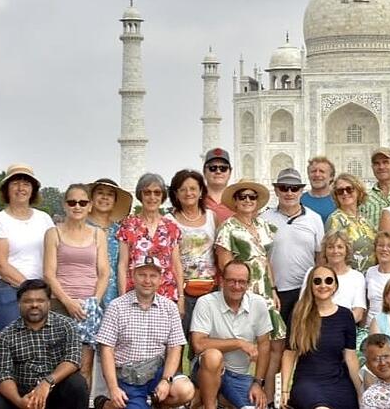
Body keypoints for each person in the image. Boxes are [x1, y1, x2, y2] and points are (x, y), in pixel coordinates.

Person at [214, 178, 285, 401]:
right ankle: (233, 396)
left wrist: (272, 288)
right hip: (242, 291)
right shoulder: (228, 227)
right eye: (242, 196)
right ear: (235, 201)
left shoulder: (263, 226)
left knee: (276, 342)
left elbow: (265, 260)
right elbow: (225, 264)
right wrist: (233, 293)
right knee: (243, 346)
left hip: (264, 291)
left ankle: (268, 394)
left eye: (251, 197)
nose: (247, 200)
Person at [95, 256, 195, 409]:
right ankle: (107, 405)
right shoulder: (116, 307)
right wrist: (113, 388)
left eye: (153, 276)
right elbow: (106, 349)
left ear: (160, 279)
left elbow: (175, 347)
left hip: (156, 374)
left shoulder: (170, 308)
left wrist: (166, 380)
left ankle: (154, 403)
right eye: (142, 275)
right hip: (128, 377)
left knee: (185, 390)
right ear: (133, 276)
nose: (147, 280)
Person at [42, 183, 109, 388]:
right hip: (60, 304)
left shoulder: (98, 234)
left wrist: (94, 301)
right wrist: (67, 301)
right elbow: (49, 273)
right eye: (72, 202)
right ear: (65, 205)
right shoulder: (54, 233)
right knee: (57, 365)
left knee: (84, 366)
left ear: (89, 206)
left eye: (82, 202)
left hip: (88, 306)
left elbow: (104, 272)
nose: (77, 206)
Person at [0, 279, 88, 409]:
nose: (34, 305)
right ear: (19, 304)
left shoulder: (67, 325)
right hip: (23, 394)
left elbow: (73, 360)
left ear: (49, 303)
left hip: (55, 390)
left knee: (77, 384)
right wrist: (20, 402)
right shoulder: (7, 335)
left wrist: (47, 383)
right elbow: (3, 375)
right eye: (28, 301)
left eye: (40, 300)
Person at [190, 260, 273, 409]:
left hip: (239, 375)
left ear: (248, 284)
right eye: (231, 281)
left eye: (242, 282)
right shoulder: (206, 302)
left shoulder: (258, 304)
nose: (236, 286)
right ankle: (210, 405)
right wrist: (239, 343)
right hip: (206, 369)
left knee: (257, 406)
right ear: (222, 281)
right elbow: (198, 344)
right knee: (213, 356)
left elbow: (264, 344)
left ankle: (215, 398)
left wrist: (257, 383)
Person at [280, 266, 362, 409]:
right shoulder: (299, 315)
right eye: (317, 281)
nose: (323, 285)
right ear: (311, 286)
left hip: (338, 381)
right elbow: (289, 353)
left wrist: (360, 391)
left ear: (335, 285)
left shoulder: (345, 315)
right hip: (307, 382)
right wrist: (284, 390)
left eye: (328, 280)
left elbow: (350, 357)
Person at [0, 163, 55, 332]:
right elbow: (0, 264)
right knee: (16, 348)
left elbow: (54, 254)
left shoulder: (44, 219)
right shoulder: (0, 221)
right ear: (6, 189)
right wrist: (30, 290)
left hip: (41, 292)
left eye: (26, 184)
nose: (21, 188)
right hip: (10, 292)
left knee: (42, 350)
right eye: (15, 183)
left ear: (33, 189)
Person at [262, 167, 324, 341]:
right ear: (276, 190)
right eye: (284, 188)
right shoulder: (264, 219)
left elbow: (319, 257)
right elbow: (262, 257)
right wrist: (270, 288)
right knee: (276, 343)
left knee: (303, 340)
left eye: (294, 188)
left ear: (301, 190)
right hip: (276, 291)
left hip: (304, 290)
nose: (289, 192)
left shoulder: (314, 219)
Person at [116, 173, 184, 316]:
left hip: (166, 295)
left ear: (162, 196)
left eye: (157, 193)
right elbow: (122, 264)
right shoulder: (128, 225)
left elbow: (176, 265)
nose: (152, 197)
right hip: (134, 295)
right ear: (140, 195)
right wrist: (122, 299)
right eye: (147, 192)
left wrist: (181, 298)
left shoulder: (172, 227)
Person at [164, 169, 217, 338]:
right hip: (180, 290)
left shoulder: (211, 217)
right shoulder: (168, 220)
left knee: (204, 343)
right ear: (175, 193)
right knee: (176, 342)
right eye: (183, 189)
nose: (189, 193)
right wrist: (179, 296)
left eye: (193, 188)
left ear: (201, 191)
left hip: (209, 289)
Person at [85, 179, 132, 308]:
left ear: (115, 201)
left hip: (114, 294)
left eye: (110, 194)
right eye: (100, 193)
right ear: (91, 198)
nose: (105, 197)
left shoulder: (121, 231)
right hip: (86, 292)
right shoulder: (80, 228)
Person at [302, 232, 367, 324]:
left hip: (344, 327)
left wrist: (336, 326)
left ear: (346, 250)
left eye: (340, 247)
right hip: (314, 324)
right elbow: (304, 304)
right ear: (325, 250)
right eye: (330, 247)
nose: (335, 251)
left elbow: (358, 313)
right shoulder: (312, 272)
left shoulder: (357, 277)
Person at [326, 173, 376, 272]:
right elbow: (333, 255)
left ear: (358, 191)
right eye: (340, 191)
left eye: (349, 189)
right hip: (349, 278)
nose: (345, 193)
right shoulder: (335, 219)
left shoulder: (365, 219)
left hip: (370, 276)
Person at [361, 147, 390, 229]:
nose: (381, 167)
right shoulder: (364, 198)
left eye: (385, 162)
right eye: (376, 163)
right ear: (372, 167)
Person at [202, 147, 235, 225]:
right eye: (212, 168)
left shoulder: (240, 201)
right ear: (204, 172)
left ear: (230, 172)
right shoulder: (194, 200)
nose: (218, 171)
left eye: (223, 168)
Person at [300, 155, 337, 224]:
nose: (317, 174)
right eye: (313, 171)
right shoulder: (299, 201)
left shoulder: (339, 200)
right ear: (308, 175)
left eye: (322, 171)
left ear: (331, 177)